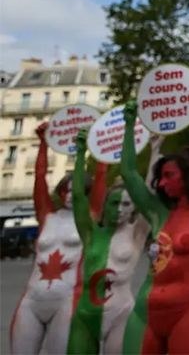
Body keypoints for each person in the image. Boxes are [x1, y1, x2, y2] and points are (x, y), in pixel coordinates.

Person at [117, 89, 189, 354]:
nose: (161, 183)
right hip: (145, 312)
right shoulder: (158, 213)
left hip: (188, 312)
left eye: (168, 175)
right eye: (160, 177)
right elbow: (129, 173)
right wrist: (130, 124)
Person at [11, 123, 79, 355]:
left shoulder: (88, 220)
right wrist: (43, 144)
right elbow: (39, 178)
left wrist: (89, 149)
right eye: (66, 190)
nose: (70, 195)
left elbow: (100, 176)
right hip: (32, 298)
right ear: (60, 193)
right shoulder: (47, 216)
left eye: (75, 190)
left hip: (66, 300)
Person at [64, 153, 116, 354]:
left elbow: (136, 182)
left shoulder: (134, 232)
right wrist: (82, 151)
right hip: (85, 307)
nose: (118, 209)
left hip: (117, 311)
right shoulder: (89, 230)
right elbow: (78, 196)